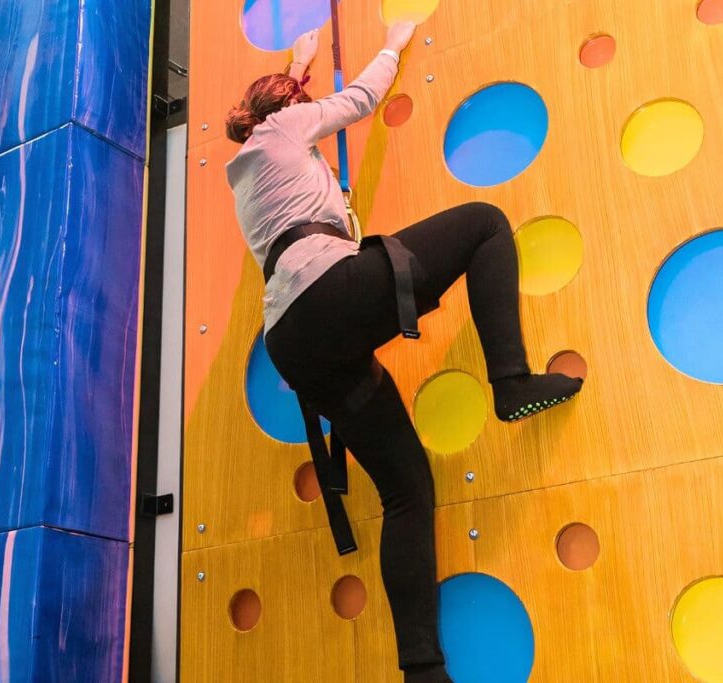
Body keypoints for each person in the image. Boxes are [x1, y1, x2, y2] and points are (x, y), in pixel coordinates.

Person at [224, 22, 583, 683]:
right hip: (329, 296)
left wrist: (296, 62)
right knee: (484, 226)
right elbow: (356, 98)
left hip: (296, 345)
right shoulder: (281, 133)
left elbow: (281, 103)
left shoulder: (248, 171)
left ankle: (421, 667)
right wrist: (392, 42)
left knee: (407, 492)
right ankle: (508, 381)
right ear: (286, 111)